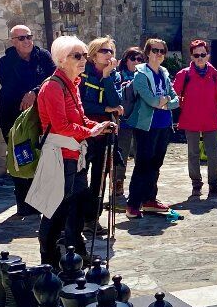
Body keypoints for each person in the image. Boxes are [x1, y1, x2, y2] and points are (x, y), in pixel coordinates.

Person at [29, 36, 115, 264]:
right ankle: (49, 261)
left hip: (74, 155)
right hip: (59, 156)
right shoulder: (53, 86)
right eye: (76, 56)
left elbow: (80, 118)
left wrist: (97, 126)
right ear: (61, 59)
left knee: (75, 207)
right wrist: (91, 132)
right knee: (55, 211)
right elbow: (61, 126)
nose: (83, 60)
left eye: (84, 55)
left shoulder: (72, 84)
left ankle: (75, 255)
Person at [0, 24, 55, 216]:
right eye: (21, 38)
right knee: (20, 156)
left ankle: (39, 199)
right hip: (14, 116)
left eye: (29, 37)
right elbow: (11, 86)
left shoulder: (43, 57)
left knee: (40, 156)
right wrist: (22, 63)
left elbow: (53, 79)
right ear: (13, 42)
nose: (27, 41)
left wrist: (35, 92)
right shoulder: (6, 62)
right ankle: (23, 201)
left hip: (40, 114)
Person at [124, 38, 180, 220]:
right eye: (155, 50)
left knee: (156, 164)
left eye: (162, 51)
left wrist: (164, 103)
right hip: (146, 126)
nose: (158, 54)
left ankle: (149, 200)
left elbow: (176, 99)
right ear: (147, 52)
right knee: (142, 164)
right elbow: (150, 100)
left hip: (163, 124)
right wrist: (162, 102)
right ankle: (133, 204)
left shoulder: (164, 73)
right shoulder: (140, 74)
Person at [174, 39, 217, 199]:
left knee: (213, 153)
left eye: (203, 54)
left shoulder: (213, 73)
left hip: (210, 119)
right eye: (196, 55)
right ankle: (196, 184)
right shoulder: (183, 75)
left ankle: (214, 185)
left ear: (208, 56)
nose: (200, 57)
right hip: (190, 119)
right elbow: (174, 95)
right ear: (191, 56)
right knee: (193, 153)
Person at [80, 36, 122, 234]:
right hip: (84, 130)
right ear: (93, 54)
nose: (108, 55)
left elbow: (117, 101)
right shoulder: (82, 74)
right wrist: (105, 107)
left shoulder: (114, 75)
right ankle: (74, 218)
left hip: (105, 131)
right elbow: (81, 104)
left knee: (100, 176)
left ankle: (92, 218)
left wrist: (106, 77)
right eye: (104, 51)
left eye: (111, 51)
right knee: (79, 175)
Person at [112, 46, 145, 206]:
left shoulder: (144, 76)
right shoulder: (118, 76)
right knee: (122, 153)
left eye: (140, 59)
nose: (137, 62)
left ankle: (138, 185)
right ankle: (118, 183)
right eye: (133, 59)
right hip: (124, 121)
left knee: (140, 153)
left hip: (139, 120)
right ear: (126, 60)